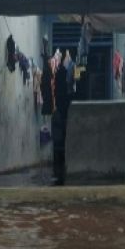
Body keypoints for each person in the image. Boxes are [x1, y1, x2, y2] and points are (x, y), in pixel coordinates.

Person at [40, 46, 75, 185]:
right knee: (61, 137)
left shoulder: (57, 73)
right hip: (61, 109)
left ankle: (59, 165)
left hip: (58, 108)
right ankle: (60, 165)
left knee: (58, 138)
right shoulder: (62, 72)